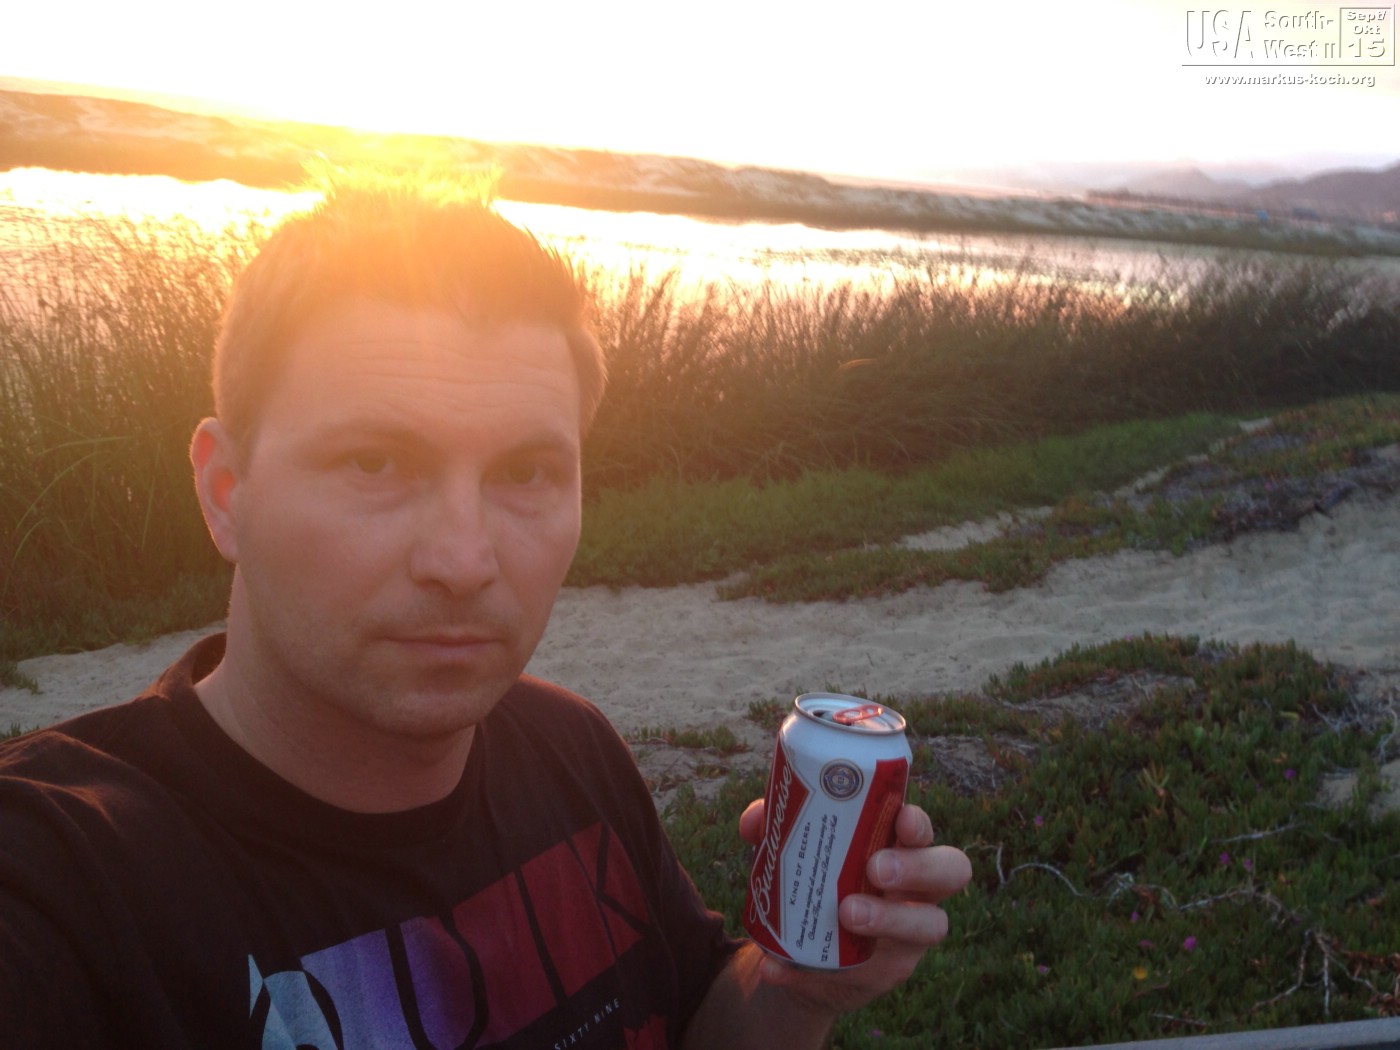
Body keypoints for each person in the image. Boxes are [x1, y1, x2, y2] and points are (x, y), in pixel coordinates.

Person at [0, 175, 971, 1048]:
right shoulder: (63, 877)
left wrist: (791, 991)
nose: (464, 562)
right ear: (226, 491)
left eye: (527, 472)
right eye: (375, 462)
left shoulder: (572, 752)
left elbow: (691, 1024)